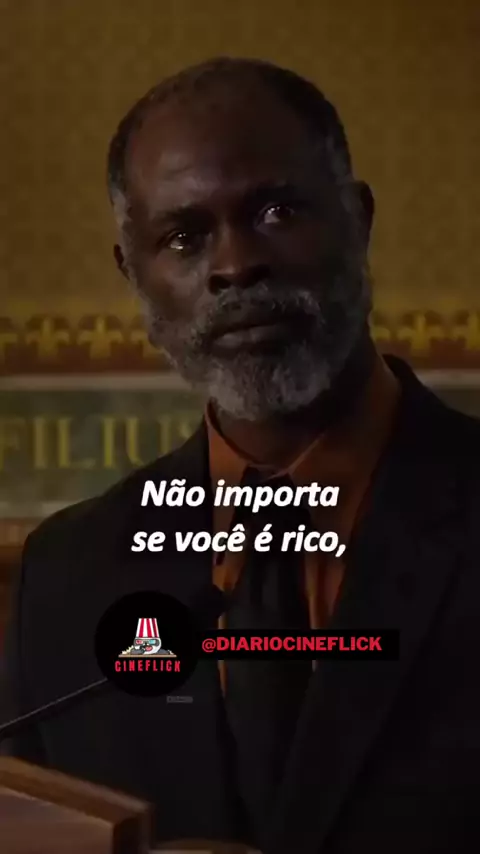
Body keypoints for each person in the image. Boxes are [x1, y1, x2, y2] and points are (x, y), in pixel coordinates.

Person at [2, 57, 480, 854]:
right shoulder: (66, 576)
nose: (234, 266)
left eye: (277, 211)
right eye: (183, 237)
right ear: (133, 273)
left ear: (359, 219)